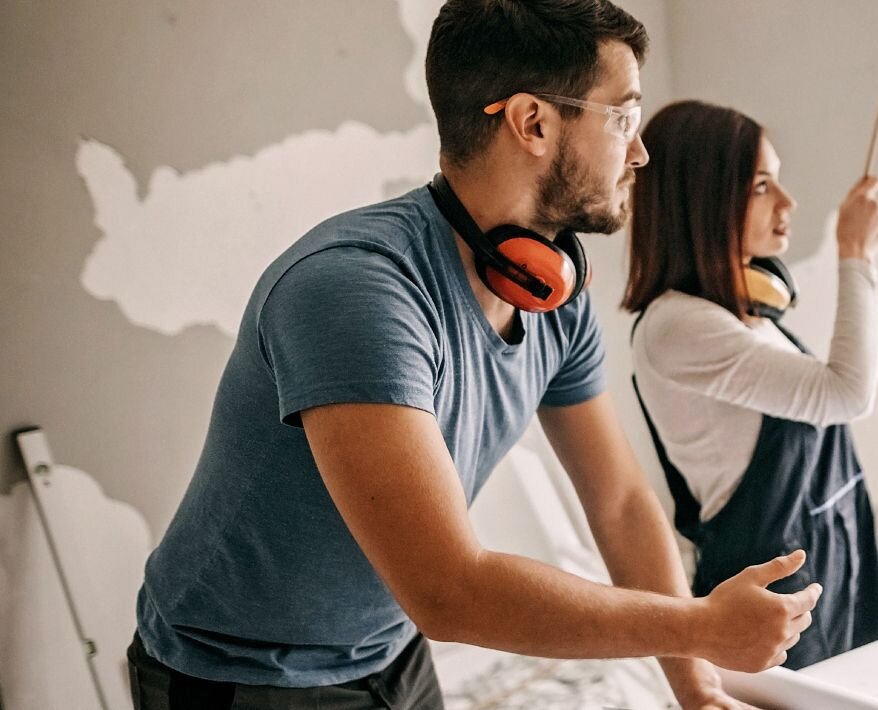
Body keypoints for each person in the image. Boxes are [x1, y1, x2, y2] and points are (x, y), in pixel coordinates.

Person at [128, 3, 813, 708]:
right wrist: (700, 626)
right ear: (533, 122)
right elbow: (449, 591)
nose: (639, 153)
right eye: (623, 117)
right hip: (239, 672)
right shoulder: (355, 291)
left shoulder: (554, 289)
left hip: (389, 650)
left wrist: (695, 688)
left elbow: (619, 503)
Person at [622, 100, 878, 669]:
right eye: (760, 186)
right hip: (770, 585)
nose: (787, 202)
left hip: (838, 553)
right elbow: (846, 392)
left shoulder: (745, 313)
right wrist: (855, 255)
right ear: (703, 198)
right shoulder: (679, 327)